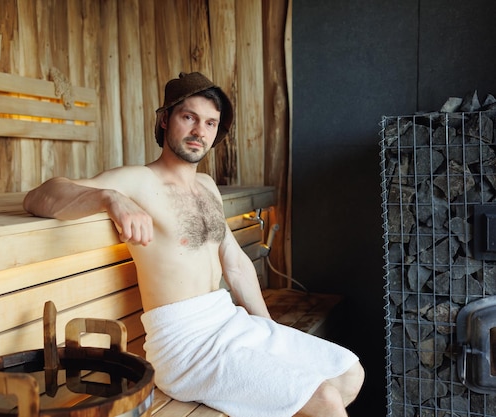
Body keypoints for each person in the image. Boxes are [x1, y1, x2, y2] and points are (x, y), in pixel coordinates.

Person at [23, 72, 364, 417]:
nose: (200, 131)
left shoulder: (207, 186)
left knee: (349, 374)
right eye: (189, 117)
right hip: (186, 348)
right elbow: (40, 196)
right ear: (164, 119)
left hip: (229, 321)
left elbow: (235, 265)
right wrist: (109, 198)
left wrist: (269, 331)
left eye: (211, 123)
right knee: (325, 400)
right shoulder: (139, 181)